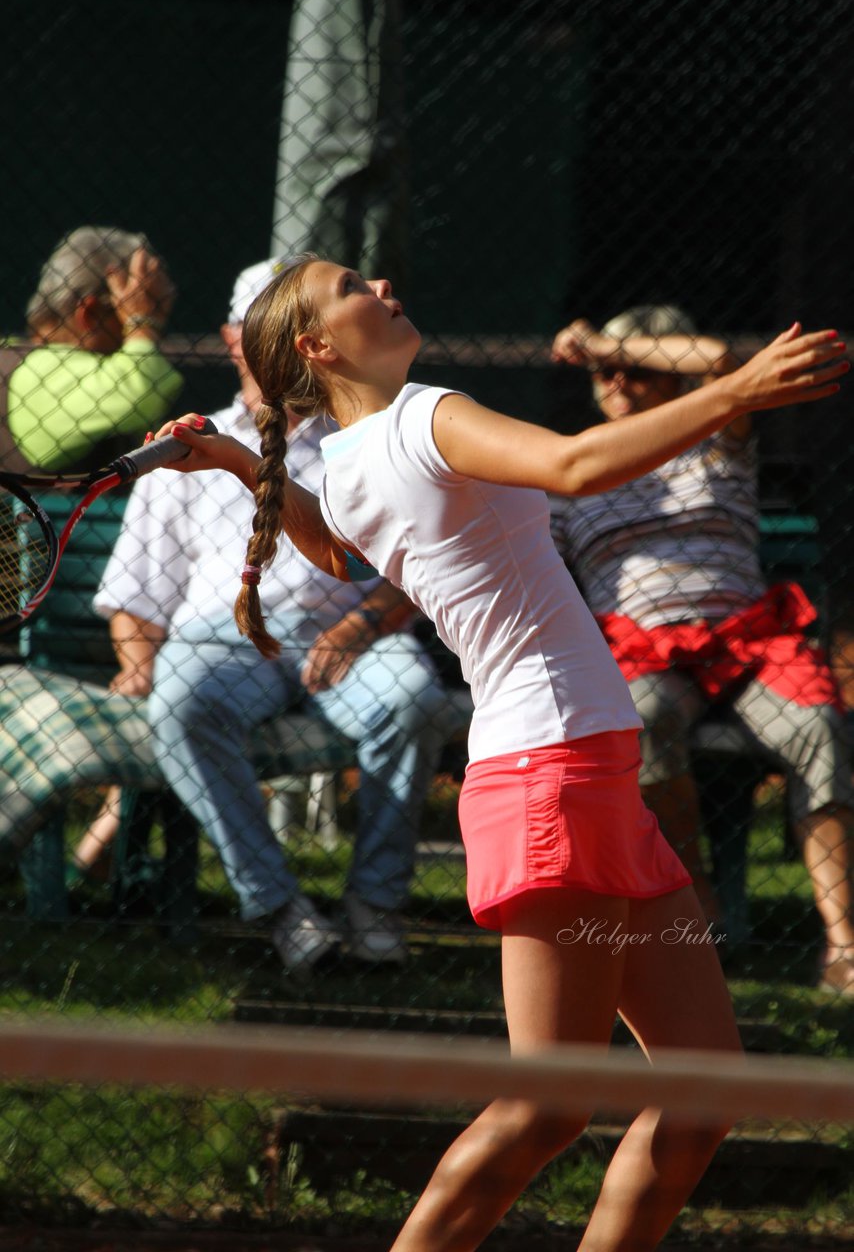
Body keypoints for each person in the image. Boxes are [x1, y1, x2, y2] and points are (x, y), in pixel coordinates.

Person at [151, 254, 847, 1252]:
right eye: (352, 284)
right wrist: (731, 390)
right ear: (315, 343)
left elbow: (330, 541)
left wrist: (228, 457)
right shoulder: (423, 415)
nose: (383, 284)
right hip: (550, 780)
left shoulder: (349, 456)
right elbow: (571, 468)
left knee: (702, 1091)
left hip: (588, 778)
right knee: (549, 1104)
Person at [92, 256, 453, 969]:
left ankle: (375, 904)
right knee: (181, 705)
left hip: (349, 637)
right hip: (222, 640)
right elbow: (135, 594)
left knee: (412, 699)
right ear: (235, 337)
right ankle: (284, 911)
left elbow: (414, 571)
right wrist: (138, 662)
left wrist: (359, 625)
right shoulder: (185, 446)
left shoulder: (364, 438)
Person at [549, 306, 854, 992]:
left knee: (819, 730)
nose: (619, 378)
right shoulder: (574, 466)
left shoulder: (716, 439)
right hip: (642, 651)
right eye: (606, 370)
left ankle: (844, 945)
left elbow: (718, 357)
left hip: (748, 642)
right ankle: (700, 911)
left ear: (670, 375)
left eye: (639, 366)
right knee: (640, 715)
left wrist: (600, 341)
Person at [4, 225, 182, 474]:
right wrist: (142, 326)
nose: (157, 329)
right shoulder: (43, 370)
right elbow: (144, 391)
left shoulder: (14, 355)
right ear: (89, 313)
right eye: (132, 307)